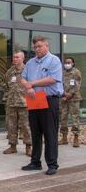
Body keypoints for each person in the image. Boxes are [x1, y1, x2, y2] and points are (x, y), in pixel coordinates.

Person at [21, 35, 64, 176]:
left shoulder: (54, 60)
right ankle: (35, 162)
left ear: (47, 46)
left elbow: (52, 79)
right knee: (35, 132)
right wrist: (28, 87)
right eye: (35, 47)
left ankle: (52, 164)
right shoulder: (30, 63)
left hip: (49, 100)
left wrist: (32, 83)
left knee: (50, 133)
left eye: (39, 46)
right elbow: (23, 78)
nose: (37, 49)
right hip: (34, 99)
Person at [3, 51, 32, 156]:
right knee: (11, 126)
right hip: (11, 104)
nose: (14, 59)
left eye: (17, 57)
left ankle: (28, 146)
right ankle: (12, 146)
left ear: (22, 59)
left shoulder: (28, 70)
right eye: (14, 57)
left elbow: (33, 86)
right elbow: (6, 86)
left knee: (26, 126)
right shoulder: (9, 72)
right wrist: (7, 98)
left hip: (24, 104)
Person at [60, 57, 82, 148]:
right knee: (63, 117)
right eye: (65, 62)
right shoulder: (62, 73)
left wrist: (70, 94)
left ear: (73, 63)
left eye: (69, 62)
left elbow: (77, 84)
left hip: (74, 98)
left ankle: (76, 138)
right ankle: (64, 138)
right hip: (63, 98)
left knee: (75, 117)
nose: (67, 64)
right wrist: (64, 94)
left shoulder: (76, 72)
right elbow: (59, 84)